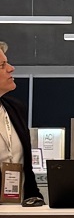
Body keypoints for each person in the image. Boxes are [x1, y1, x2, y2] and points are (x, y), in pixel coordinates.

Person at [0, 41, 41, 205]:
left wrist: (37, 199)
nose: (11, 68)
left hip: (20, 207)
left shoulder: (15, 108)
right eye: (2, 65)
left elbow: (26, 168)